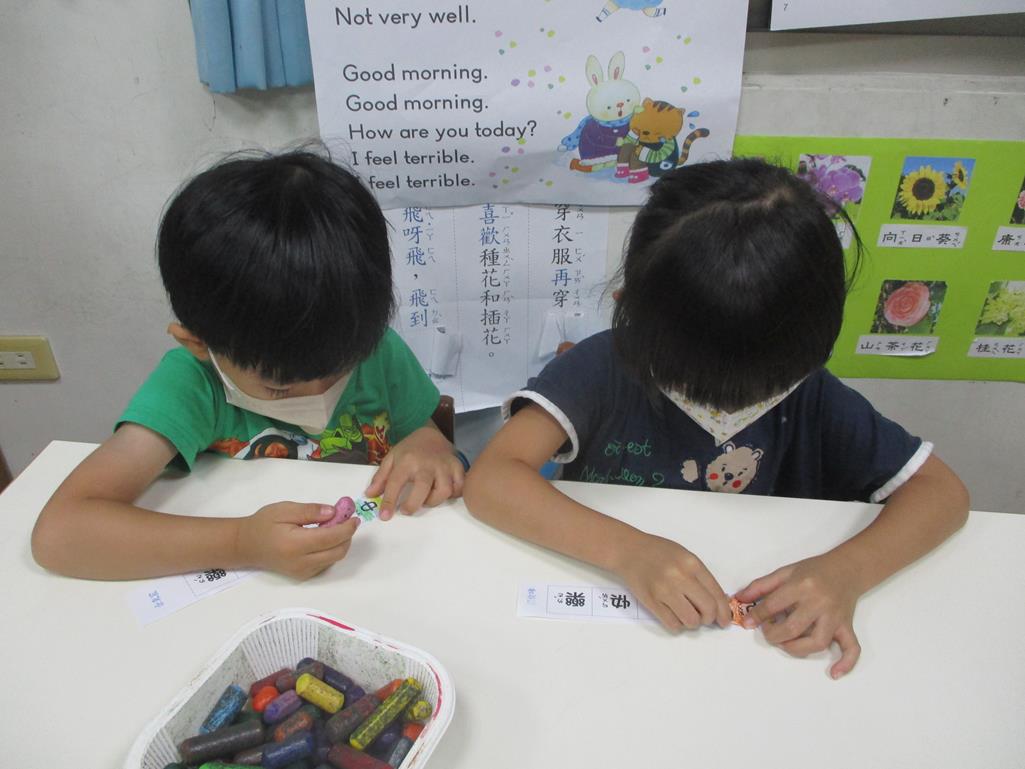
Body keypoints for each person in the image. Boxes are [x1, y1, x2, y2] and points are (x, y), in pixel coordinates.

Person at [464, 157, 968, 678]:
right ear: (629, 310)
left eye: (765, 387)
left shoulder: (810, 393)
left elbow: (942, 493)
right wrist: (627, 552)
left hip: (750, 659)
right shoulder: (603, 366)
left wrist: (847, 572)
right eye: (695, 383)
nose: (730, 407)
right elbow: (492, 479)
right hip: (609, 641)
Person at [32, 148, 464, 580]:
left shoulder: (374, 349)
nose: (321, 395)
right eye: (280, 387)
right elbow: (62, 532)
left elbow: (422, 433)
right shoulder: (192, 384)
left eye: (339, 371)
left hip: (376, 572)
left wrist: (429, 446)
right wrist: (241, 543)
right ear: (199, 345)